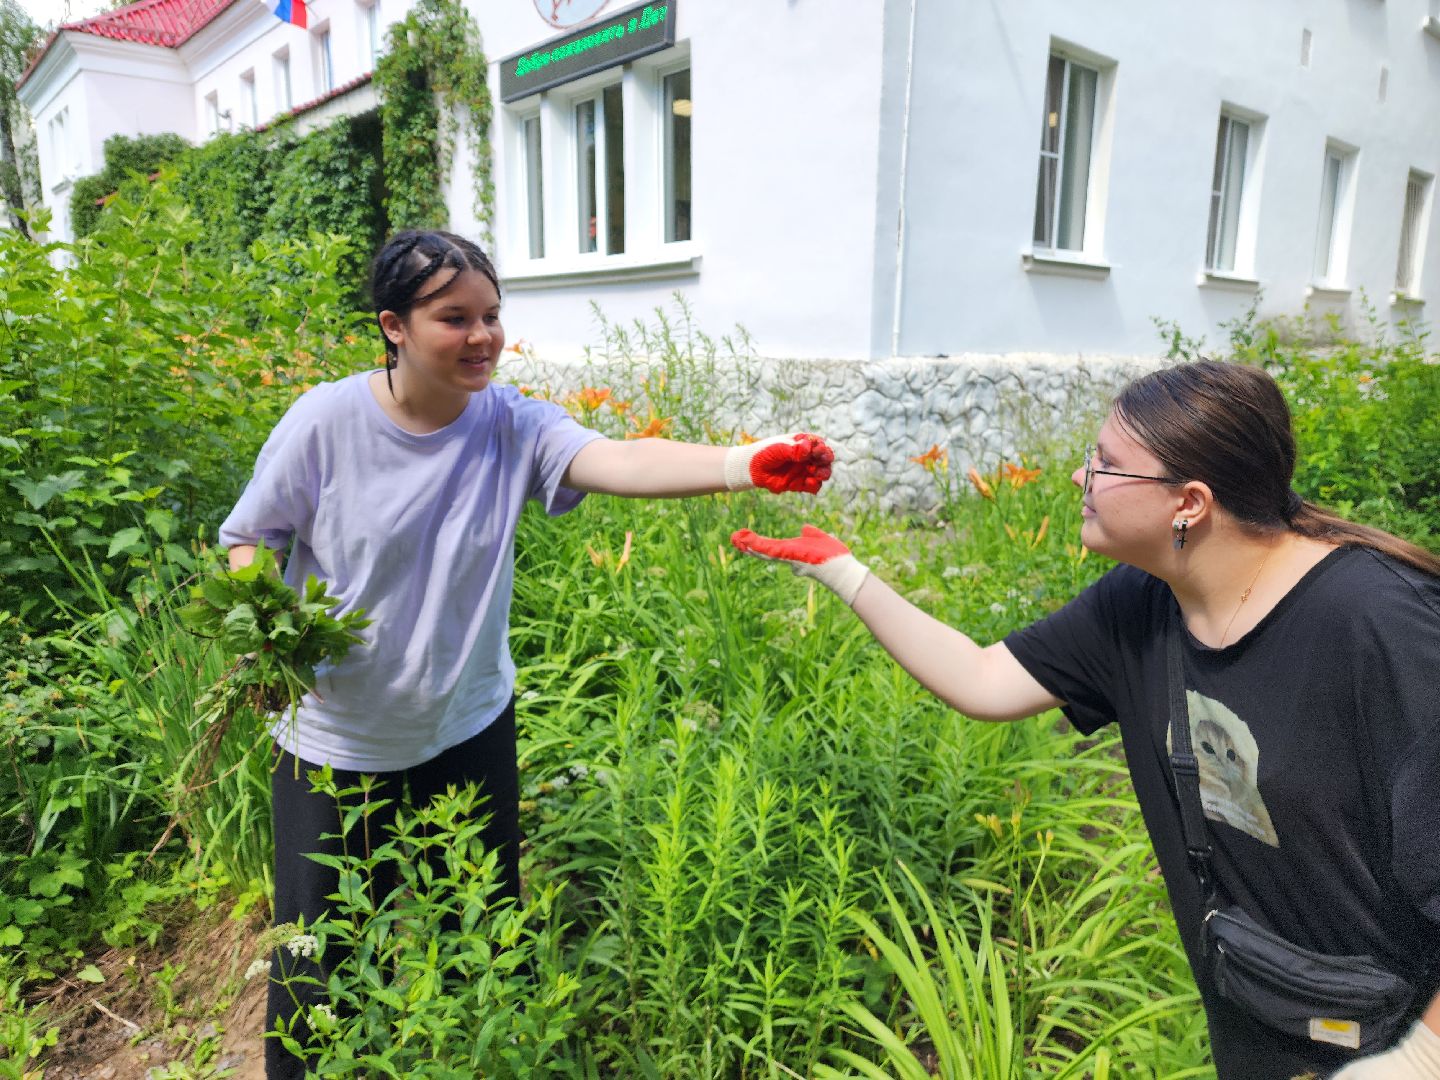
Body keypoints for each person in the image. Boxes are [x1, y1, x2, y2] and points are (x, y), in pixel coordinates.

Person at [218, 229, 835, 1079]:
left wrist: (742, 462)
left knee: (480, 942)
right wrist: (271, 624)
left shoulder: (513, 424)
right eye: (455, 318)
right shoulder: (327, 422)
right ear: (393, 325)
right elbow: (250, 537)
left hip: (466, 731)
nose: (483, 337)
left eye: (492, 316)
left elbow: (620, 458)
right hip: (338, 745)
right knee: (320, 972)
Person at [731, 360, 1440, 1079]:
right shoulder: (1142, 604)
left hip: (1397, 1035)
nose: (1079, 478)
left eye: (1106, 465)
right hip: (1266, 1018)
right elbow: (984, 680)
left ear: (1188, 503)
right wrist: (846, 572)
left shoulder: (1379, 625)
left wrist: (1418, 1058)